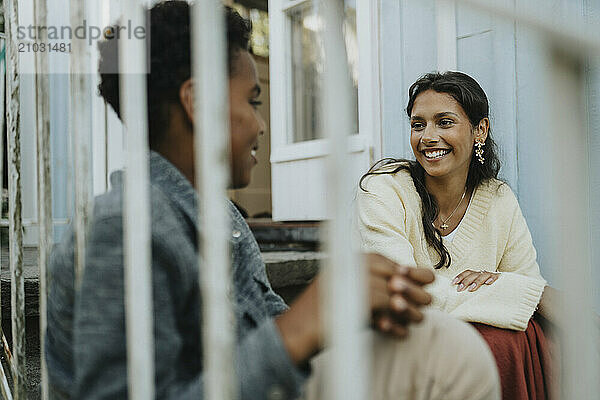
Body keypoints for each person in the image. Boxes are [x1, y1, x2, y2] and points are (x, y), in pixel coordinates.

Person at [45, 3, 500, 399]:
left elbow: (266, 323)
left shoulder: (216, 213)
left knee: (442, 346)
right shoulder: (123, 230)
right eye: (253, 100)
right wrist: (298, 328)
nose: (262, 126)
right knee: (452, 359)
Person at [357, 71, 553, 399]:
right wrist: (529, 293)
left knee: (525, 338)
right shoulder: (384, 190)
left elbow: (524, 292)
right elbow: (404, 295)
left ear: (480, 130)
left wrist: (516, 291)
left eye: (444, 122)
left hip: (474, 358)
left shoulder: (498, 198)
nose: (428, 137)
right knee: (499, 340)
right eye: (418, 125)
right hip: (397, 351)